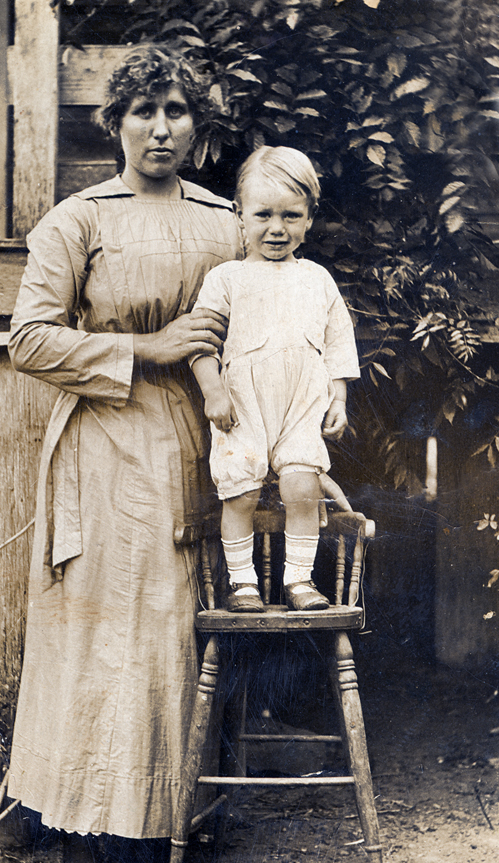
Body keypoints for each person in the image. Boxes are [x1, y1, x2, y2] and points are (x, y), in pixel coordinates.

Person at [6, 44, 241, 863]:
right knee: (98, 644)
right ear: (115, 124)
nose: (160, 128)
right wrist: (145, 349)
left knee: (171, 637)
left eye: (177, 111)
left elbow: (256, 321)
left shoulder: (225, 223)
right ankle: (78, 844)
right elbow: (28, 339)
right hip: (102, 449)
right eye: (143, 111)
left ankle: (161, 825)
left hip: (192, 444)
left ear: (197, 125)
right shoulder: (77, 220)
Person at [190, 146, 360, 614]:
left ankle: (299, 579)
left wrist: (339, 397)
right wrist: (214, 391)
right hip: (242, 404)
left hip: (302, 401)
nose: (277, 228)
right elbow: (200, 344)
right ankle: (243, 583)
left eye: (291, 215)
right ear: (239, 215)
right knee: (241, 488)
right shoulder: (226, 278)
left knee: (303, 486)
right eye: (263, 214)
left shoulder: (317, 279)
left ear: (308, 220)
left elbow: (338, 342)